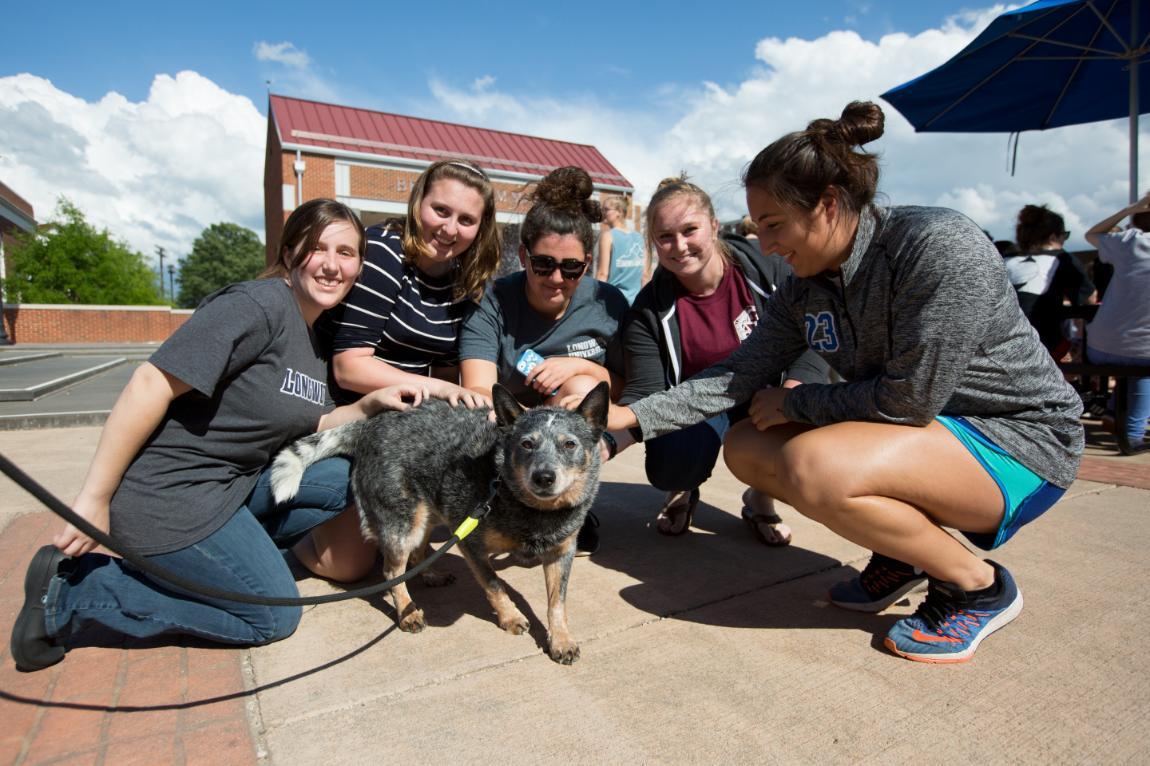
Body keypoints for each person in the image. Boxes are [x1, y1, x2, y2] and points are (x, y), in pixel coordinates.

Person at [600, 101, 1084, 663]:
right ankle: (899, 555)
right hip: (927, 436)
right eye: (760, 229)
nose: (767, 245)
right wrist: (631, 421)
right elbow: (737, 374)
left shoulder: (934, 246)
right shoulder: (805, 287)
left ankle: (976, 587)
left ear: (828, 204)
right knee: (748, 446)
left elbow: (908, 399)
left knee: (816, 464)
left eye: (776, 226)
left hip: (1018, 443)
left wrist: (798, 403)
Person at [9, 199, 440, 673]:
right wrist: (95, 498)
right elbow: (150, 383)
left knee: (343, 477)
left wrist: (364, 406)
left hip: (231, 489)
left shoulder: (315, 332)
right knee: (270, 615)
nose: (332, 265)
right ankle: (73, 595)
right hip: (171, 497)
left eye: (347, 252)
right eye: (318, 248)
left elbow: (307, 424)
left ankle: (228, 561)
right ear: (291, 248)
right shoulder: (256, 306)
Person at [610, 176, 828, 544]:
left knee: (806, 442)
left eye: (689, 230)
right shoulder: (648, 309)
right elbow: (646, 391)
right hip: (696, 405)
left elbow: (816, 336)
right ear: (654, 243)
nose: (679, 246)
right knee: (671, 460)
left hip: (766, 396)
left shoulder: (770, 270)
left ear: (713, 226)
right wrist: (605, 442)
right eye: (665, 236)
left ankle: (760, 496)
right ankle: (683, 488)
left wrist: (794, 391)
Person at [460, 166, 629, 554]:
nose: (557, 277)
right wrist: (527, 422)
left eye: (571, 268)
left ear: (587, 263)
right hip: (513, 430)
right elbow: (477, 388)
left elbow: (623, 389)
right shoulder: (494, 300)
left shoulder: (608, 303)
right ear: (523, 255)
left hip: (573, 436)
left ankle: (570, 513)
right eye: (543, 264)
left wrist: (582, 366)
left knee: (585, 388)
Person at [325, 159, 502, 403]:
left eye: (466, 220)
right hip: (344, 405)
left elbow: (446, 375)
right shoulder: (383, 251)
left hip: (406, 414)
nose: (450, 229)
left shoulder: (463, 281)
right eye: (441, 210)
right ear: (417, 204)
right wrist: (441, 388)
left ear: (481, 228)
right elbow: (348, 369)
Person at [1084, 192, 1150, 448]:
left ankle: (1113, 413)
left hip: (1101, 346)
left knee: (1134, 366)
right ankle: (1132, 436)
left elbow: (1091, 234)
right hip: (1143, 352)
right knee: (1142, 370)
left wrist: (1128, 209)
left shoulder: (1130, 241)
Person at [1005, 204, 1096, 355]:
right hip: (1040, 343)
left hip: (996, 342)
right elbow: (1089, 298)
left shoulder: (1005, 258)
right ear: (1054, 236)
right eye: (1064, 235)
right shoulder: (1061, 258)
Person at [595, 195, 647, 303]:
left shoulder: (608, 236)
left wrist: (594, 300)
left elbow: (602, 274)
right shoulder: (639, 237)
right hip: (636, 303)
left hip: (613, 303)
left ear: (619, 212)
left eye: (606, 209)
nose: (603, 212)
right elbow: (645, 275)